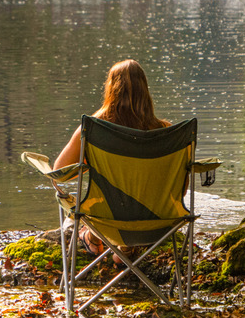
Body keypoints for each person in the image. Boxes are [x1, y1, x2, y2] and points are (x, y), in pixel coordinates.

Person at [53, 59, 170, 260]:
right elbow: (181, 187)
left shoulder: (91, 130)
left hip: (106, 221)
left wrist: (92, 158)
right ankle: (123, 249)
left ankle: (93, 237)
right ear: (146, 91)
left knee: (97, 207)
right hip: (156, 221)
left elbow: (59, 173)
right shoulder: (167, 134)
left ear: (111, 90)